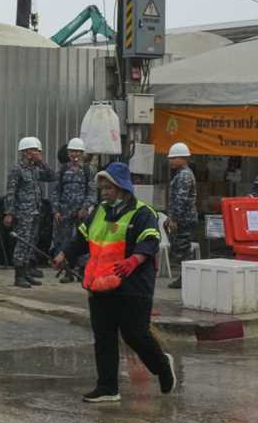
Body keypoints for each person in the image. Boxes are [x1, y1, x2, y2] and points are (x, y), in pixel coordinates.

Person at [54, 163, 176, 403]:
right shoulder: (98, 211)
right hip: (100, 283)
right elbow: (81, 238)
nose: (104, 192)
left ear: (122, 188)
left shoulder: (143, 213)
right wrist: (64, 254)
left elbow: (150, 240)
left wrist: (134, 260)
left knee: (134, 334)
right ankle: (107, 387)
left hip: (133, 285)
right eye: (102, 188)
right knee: (104, 336)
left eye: (109, 188)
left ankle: (162, 365)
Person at [4, 136, 54, 289]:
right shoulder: (17, 169)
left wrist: (41, 162)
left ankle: (26, 272)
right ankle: (19, 276)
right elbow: (11, 192)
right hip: (23, 213)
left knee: (30, 243)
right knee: (22, 243)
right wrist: (9, 213)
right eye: (34, 150)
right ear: (25, 152)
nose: (37, 153)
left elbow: (51, 176)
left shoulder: (35, 168)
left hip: (35, 211)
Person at [51, 137, 96, 284]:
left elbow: (92, 192)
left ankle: (82, 271)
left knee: (82, 240)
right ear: (68, 153)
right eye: (72, 151)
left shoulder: (88, 170)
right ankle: (68, 271)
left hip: (82, 214)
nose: (74, 154)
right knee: (65, 242)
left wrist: (85, 208)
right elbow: (55, 192)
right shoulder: (62, 170)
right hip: (65, 213)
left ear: (82, 153)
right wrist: (56, 211)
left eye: (77, 151)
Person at [165, 143, 198, 290]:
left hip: (184, 220)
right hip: (183, 218)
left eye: (174, 158)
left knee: (183, 249)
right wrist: (170, 216)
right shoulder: (182, 174)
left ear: (184, 158)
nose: (171, 161)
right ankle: (185, 277)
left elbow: (181, 199)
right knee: (181, 249)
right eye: (170, 158)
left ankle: (186, 278)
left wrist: (174, 219)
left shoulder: (184, 175)